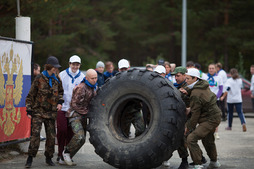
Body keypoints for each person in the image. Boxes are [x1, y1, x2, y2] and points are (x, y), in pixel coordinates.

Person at [25, 56, 64, 168]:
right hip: (38, 112)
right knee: (35, 136)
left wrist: (60, 102)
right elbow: (30, 95)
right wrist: (29, 109)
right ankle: (30, 158)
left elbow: (61, 92)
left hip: (51, 113)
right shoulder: (39, 78)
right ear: (49, 67)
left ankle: (49, 158)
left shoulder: (57, 78)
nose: (56, 69)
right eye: (54, 67)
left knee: (51, 137)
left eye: (56, 67)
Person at [180, 68, 221, 169]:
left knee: (191, 139)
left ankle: (198, 164)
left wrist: (188, 127)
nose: (186, 80)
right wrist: (188, 92)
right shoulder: (202, 84)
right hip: (213, 117)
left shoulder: (196, 94)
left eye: (188, 78)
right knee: (208, 139)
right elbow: (198, 93)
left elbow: (195, 115)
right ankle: (214, 162)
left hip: (210, 119)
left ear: (195, 78)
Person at [62, 69, 98, 166]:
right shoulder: (81, 88)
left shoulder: (93, 87)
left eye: (96, 78)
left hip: (84, 116)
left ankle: (67, 156)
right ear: (86, 78)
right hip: (75, 114)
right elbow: (74, 104)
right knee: (79, 136)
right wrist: (87, 112)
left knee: (82, 140)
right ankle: (66, 153)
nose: (95, 80)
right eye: (92, 78)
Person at [56, 55, 85, 165]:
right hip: (62, 108)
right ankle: (59, 154)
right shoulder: (62, 75)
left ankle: (67, 155)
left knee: (71, 133)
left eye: (77, 64)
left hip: (74, 110)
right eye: (73, 64)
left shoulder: (82, 76)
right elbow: (57, 90)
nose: (75, 66)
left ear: (79, 65)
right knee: (62, 130)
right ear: (69, 64)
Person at [118, 59, 145, 137]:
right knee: (124, 134)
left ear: (129, 68)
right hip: (123, 112)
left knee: (141, 130)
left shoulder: (135, 79)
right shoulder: (115, 82)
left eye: (125, 69)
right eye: (122, 69)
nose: (123, 71)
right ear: (119, 69)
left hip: (135, 110)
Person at [207, 63, 223, 139]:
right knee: (207, 116)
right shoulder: (205, 77)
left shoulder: (219, 78)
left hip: (216, 100)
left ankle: (216, 132)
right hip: (207, 100)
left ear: (215, 69)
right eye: (210, 68)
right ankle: (208, 132)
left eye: (212, 68)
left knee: (215, 117)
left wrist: (216, 97)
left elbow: (221, 89)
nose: (211, 70)